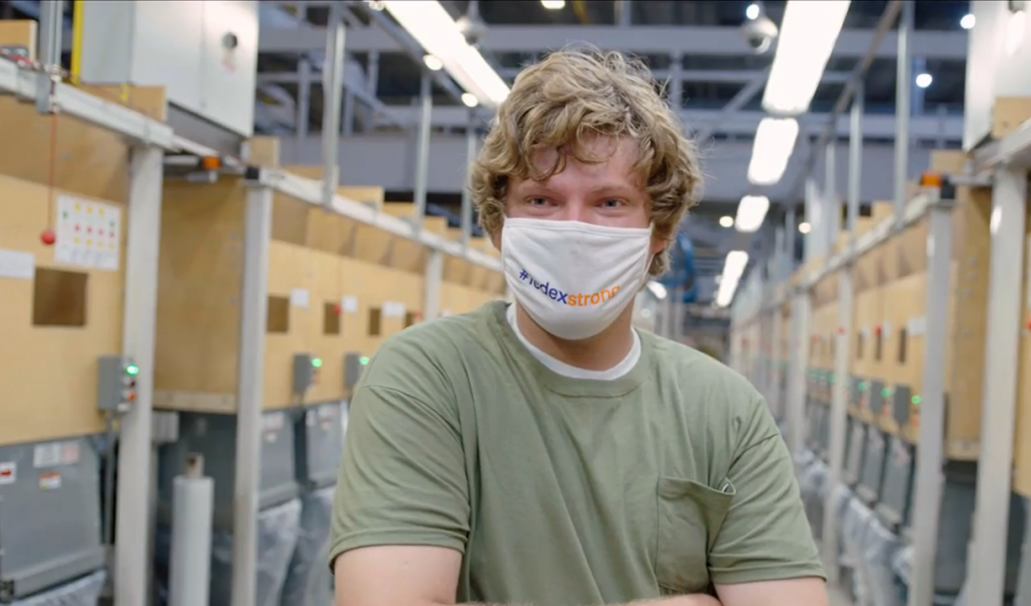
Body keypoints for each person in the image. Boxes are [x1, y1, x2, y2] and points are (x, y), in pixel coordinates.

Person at [329, 47, 828, 606]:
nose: (573, 229)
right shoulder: (427, 379)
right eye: (541, 199)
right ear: (501, 226)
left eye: (609, 202)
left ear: (657, 231)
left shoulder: (723, 408)